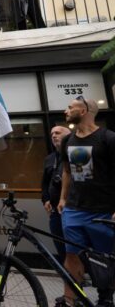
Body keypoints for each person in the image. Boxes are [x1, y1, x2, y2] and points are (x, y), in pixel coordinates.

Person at [57, 97, 115, 307]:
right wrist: (63, 198)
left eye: (70, 107)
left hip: (103, 210)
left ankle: (105, 298)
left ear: (83, 111)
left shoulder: (108, 138)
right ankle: (69, 300)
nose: (66, 111)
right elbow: (67, 171)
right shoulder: (67, 141)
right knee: (72, 255)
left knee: (103, 259)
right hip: (74, 209)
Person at [41, 125, 71, 265]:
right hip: (55, 210)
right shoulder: (49, 159)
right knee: (60, 245)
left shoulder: (75, 153)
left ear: (68, 135)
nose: (54, 136)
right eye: (52, 133)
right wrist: (46, 199)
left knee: (75, 246)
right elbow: (44, 182)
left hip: (73, 208)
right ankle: (68, 274)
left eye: (58, 133)